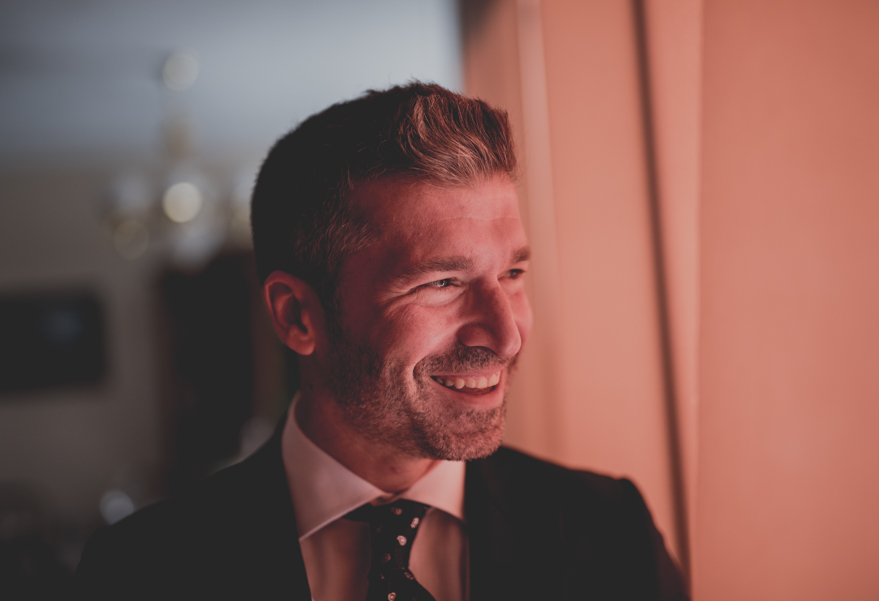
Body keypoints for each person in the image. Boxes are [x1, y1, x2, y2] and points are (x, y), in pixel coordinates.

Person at [74, 82, 689, 600]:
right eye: (443, 281)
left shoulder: (612, 534)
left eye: (512, 274)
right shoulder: (137, 573)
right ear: (298, 317)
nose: (506, 334)